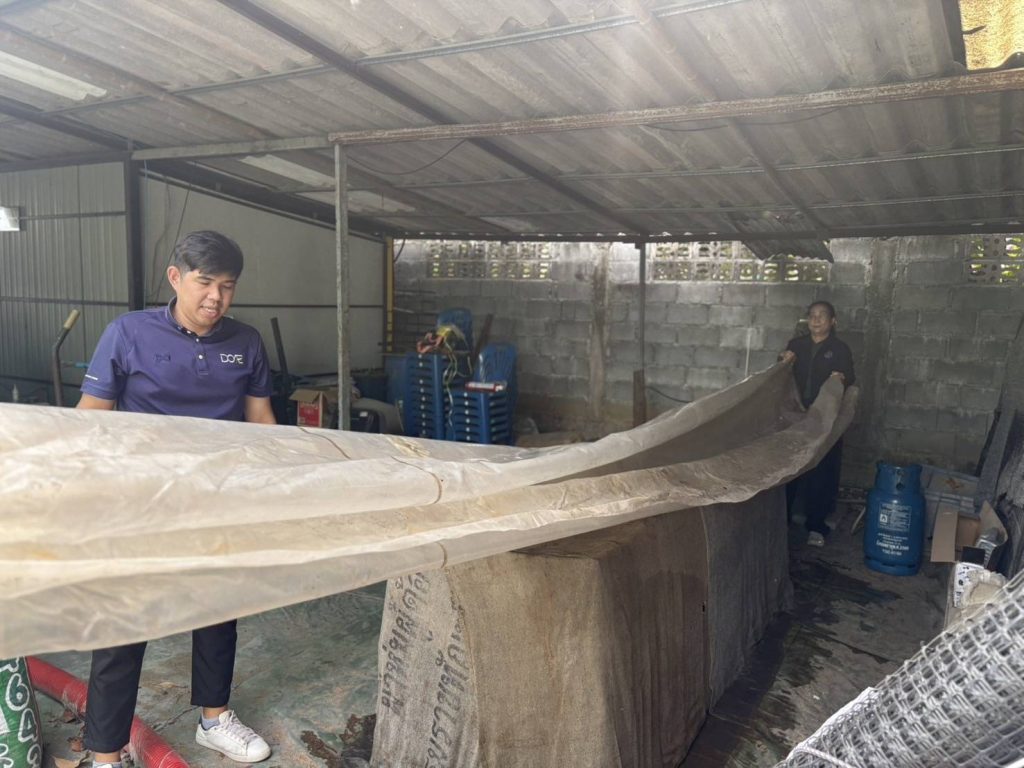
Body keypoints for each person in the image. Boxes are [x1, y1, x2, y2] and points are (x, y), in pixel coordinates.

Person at [77, 231, 276, 766]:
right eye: (204, 282)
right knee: (125, 623)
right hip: (141, 504)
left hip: (215, 500)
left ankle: (214, 719)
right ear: (175, 277)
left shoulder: (247, 341)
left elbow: (262, 422)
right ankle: (105, 754)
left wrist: (272, 489)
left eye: (227, 286)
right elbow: (90, 420)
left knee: (219, 610)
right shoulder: (128, 333)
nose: (215, 297)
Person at [781, 301, 855, 548]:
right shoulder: (796, 345)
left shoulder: (839, 349)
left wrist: (841, 378)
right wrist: (783, 360)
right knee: (788, 469)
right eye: (812, 315)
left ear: (833, 321)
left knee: (821, 472)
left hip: (825, 420)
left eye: (822, 316)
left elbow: (849, 376)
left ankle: (815, 526)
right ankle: (782, 522)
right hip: (796, 417)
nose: (816, 320)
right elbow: (781, 372)